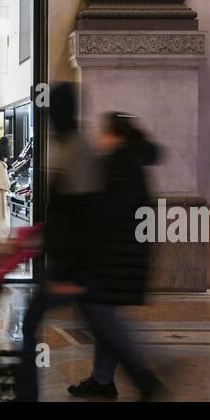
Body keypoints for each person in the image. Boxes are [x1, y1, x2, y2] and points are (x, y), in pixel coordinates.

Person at [17, 84, 161, 401]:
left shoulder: (86, 154)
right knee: (104, 322)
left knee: (97, 322)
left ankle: (144, 377)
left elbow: (82, 216)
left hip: (79, 266)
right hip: (86, 264)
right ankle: (117, 379)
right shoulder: (82, 150)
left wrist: (68, 270)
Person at [63, 112, 158, 398]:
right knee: (105, 318)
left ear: (115, 135)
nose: (98, 138)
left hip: (114, 258)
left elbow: (104, 214)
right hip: (122, 256)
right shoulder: (129, 162)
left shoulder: (120, 164)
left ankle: (146, 375)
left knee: (105, 319)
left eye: (103, 132)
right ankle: (103, 380)